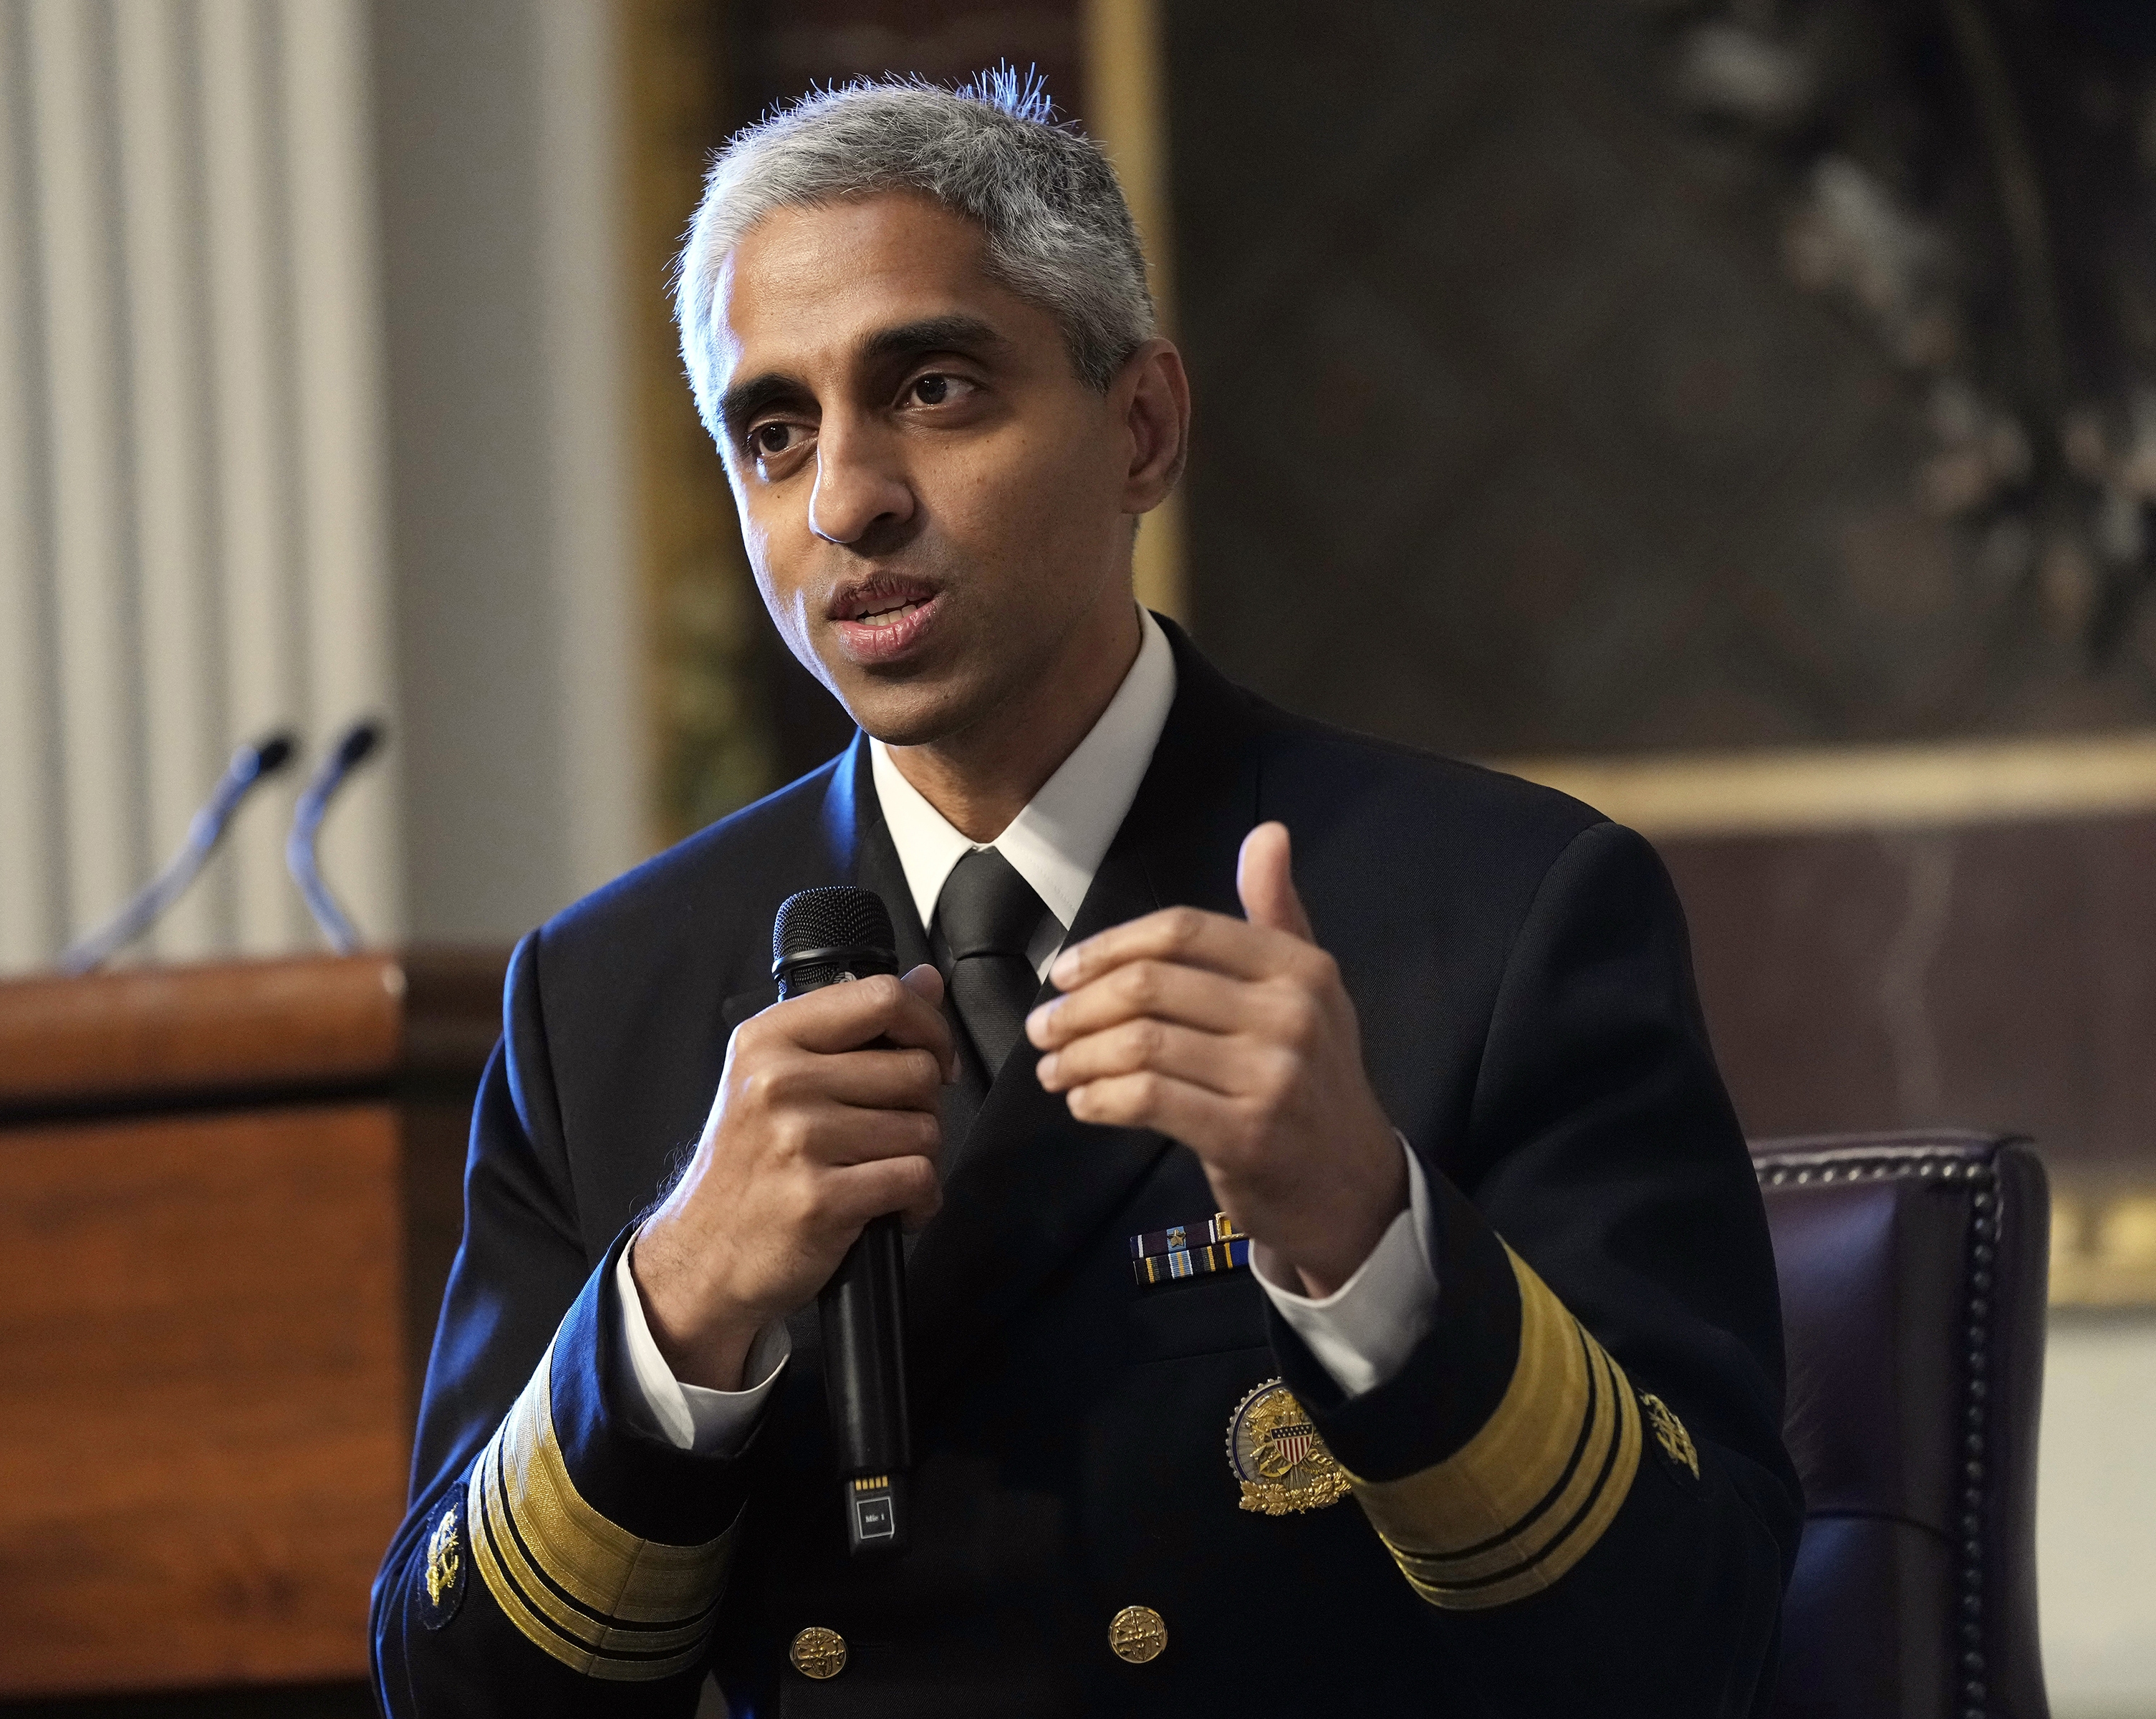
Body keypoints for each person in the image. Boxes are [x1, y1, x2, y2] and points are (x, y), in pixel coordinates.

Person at [371, 74, 1799, 1717]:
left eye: (932, 388)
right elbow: (452, 1695)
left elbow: (1697, 1644)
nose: (847, 500)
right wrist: (675, 1311)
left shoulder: (1503, 910)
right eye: (775, 433)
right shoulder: (606, 990)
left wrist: (1367, 1233)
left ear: (1141, 429)